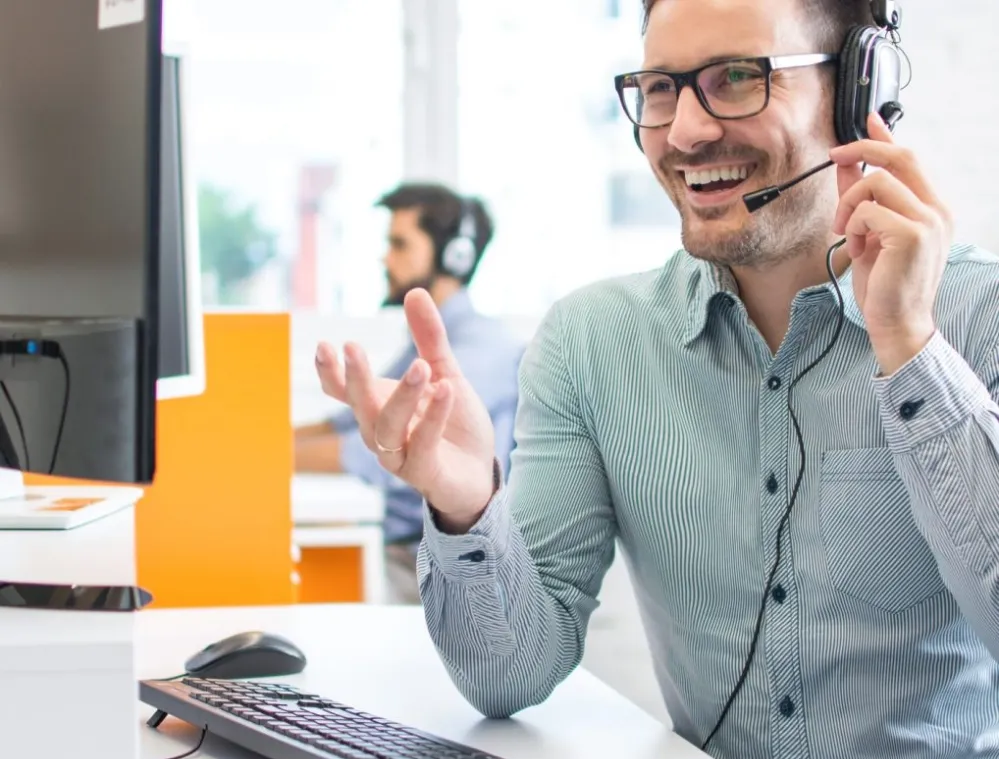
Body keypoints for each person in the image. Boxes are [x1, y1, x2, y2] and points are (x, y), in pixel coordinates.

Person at [315, 0, 999, 756]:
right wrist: (465, 502)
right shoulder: (590, 342)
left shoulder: (979, 317)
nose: (684, 132)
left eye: (736, 77)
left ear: (854, 92)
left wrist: (910, 350)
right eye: (659, 89)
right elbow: (507, 674)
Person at [296, 182, 523, 604]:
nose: (386, 258)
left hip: (437, 565)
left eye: (400, 244)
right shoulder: (424, 343)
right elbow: (350, 419)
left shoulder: (479, 349)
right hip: (402, 549)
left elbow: (375, 451)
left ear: (454, 256)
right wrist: (262, 441)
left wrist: (257, 459)